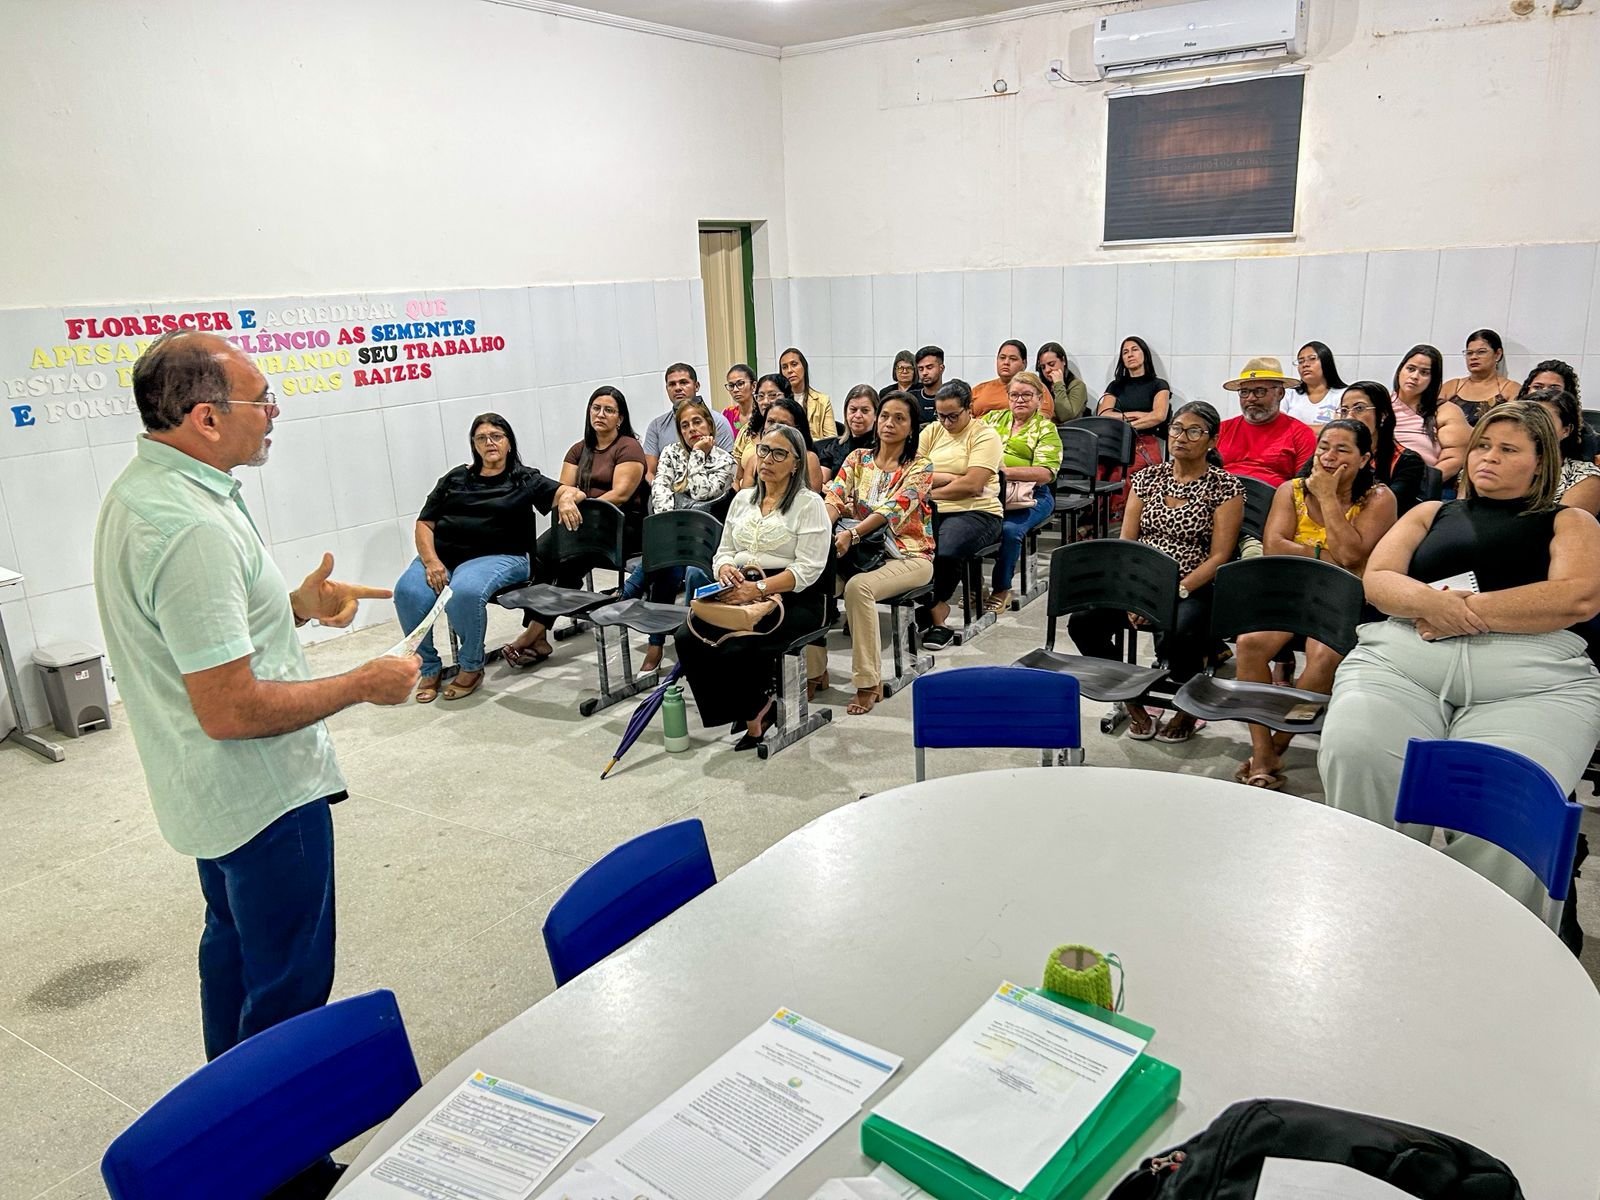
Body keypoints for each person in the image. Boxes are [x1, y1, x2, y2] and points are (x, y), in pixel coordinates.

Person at [92, 331, 419, 1071]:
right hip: (263, 796)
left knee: (235, 956)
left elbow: (197, 640)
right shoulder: (191, 528)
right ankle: (278, 1135)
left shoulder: (150, 492)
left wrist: (292, 609)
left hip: (211, 795)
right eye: (262, 399)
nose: (273, 413)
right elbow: (231, 709)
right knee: (286, 990)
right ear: (206, 418)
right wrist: (363, 683)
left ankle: (231, 1112)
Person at [1318, 403, 1600, 919]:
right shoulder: (1430, 512)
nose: (1488, 457)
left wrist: (1460, 612)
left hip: (1530, 683)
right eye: (1482, 446)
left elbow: (1577, 597)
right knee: (1356, 750)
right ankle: (1366, 908)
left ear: (1541, 461)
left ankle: (1485, 932)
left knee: (1506, 797)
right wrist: (1434, 605)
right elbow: (1379, 580)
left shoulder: (1569, 520)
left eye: (1508, 449)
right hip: (1404, 665)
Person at [1232, 420, 1397, 788]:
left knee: (1323, 657)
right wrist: (1326, 554)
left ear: (1364, 458)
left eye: (1342, 450)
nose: (1329, 456)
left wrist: (1326, 497)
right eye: (1324, 447)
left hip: (1344, 595)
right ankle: (1262, 749)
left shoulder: (1379, 498)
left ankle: (1279, 744)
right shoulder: (1290, 490)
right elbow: (1274, 547)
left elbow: (1352, 558)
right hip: (1289, 587)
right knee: (1250, 644)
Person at [1068, 402, 1244, 744]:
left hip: (1193, 583)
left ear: (1212, 441)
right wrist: (1137, 593)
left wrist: (1171, 593)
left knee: (1181, 630)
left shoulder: (1225, 487)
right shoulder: (1147, 478)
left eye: (1194, 431)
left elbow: (1220, 556)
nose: (1181, 437)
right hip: (1142, 581)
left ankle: (1187, 709)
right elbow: (1128, 542)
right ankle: (1130, 698)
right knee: (1083, 622)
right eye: (1177, 428)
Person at [398, 413, 586, 702]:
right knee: (407, 592)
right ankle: (429, 667)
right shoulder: (455, 478)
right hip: (445, 556)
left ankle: (471, 666)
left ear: (509, 443)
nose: (490, 443)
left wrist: (566, 499)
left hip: (503, 556)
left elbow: (570, 491)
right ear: (474, 445)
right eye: (482, 438)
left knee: (464, 591)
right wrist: (432, 561)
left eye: (496, 436)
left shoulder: (524, 478)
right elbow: (425, 523)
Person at [675, 424, 831, 751]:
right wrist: (725, 569)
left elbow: (808, 570)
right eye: (764, 450)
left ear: (796, 464)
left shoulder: (809, 503)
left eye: (779, 454)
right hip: (741, 587)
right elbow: (724, 551)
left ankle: (755, 712)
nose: (767, 460)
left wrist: (757, 589)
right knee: (688, 636)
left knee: (738, 644)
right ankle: (746, 707)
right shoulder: (743, 499)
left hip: (793, 596)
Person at [502, 386, 647, 666]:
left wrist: (583, 510)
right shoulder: (579, 449)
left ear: (620, 418)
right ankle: (538, 633)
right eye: (596, 408)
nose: (600, 414)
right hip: (583, 526)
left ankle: (534, 634)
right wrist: (567, 500)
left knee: (570, 561)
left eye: (609, 410)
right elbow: (564, 490)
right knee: (541, 554)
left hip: (622, 528)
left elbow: (620, 494)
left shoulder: (628, 447)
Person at [824, 392, 934, 716]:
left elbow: (891, 510)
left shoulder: (920, 466)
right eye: (885, 416)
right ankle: (815, 673)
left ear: (912, 427)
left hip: (909, 556)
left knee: (859, 588)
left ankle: (868, 682)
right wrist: (824, 532)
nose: (889, 423)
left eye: (899, 418)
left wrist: (852, 534)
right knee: (814, 579)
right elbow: (835, 496)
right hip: (860, 554)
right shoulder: (858, 459)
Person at [621, 397, 737, 673]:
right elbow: (660, 490)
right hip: (674, 536)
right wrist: (670, 524)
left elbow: (701, 492)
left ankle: (630, 596)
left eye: (697, 422)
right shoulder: (670, 453)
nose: (691, 429)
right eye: (685, 425)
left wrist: (697, 454)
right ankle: (656, 643)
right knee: (667, 567)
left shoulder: (725, 461)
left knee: (668, 563)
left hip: (706, 541)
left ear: (709, 425)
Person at [917, 380, 1004, 649]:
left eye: (953, 416)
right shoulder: (932, 431)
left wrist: (931, 491)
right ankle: (930, 607)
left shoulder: (985, 435)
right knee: (907, 550)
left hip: (978, 512)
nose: (946, 422)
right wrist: (952, 477)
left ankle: (938, 613)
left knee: (945, 549)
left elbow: (973, 485)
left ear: (969, 409)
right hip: (933, 511)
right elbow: (914, 474)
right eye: (941, 415)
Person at [982, 370, 1061, 612]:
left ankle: (1001, 589)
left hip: (1032, 496)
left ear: (1039, 399)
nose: (1020, 400)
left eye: (1027, 395)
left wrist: (1003, 472)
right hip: (991, 492)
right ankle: (975, 586)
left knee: (1010, 530)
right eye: (1014, 395)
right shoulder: (992, 419)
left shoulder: (1046, 429)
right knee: (966, 523)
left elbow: (1045, 473)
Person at [1318, 382, 1428, 515]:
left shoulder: (1407, 461)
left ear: (1383, 414)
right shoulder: (1328, 453)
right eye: (1344, 411)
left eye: (1359, 408)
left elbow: (1388, 508)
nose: (1349, 417)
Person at [1097, 335, 1170, 521]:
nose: (1130, 354)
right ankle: (1095, 522)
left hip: (1143, 440)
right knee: (1097, 472)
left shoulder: (1159, 384)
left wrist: (1127, 423)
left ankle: (1120, 521)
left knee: (1124, 474)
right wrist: (1136, 415)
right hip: (1115, 441)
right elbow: (1104, 413)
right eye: (1125, 352)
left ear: (1144, 354)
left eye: (1134, 350)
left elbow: (1159, 415)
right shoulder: (1116, 386)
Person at [1216, 357, 1317, 487]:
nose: (1251, 398)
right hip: (1219, 494)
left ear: (1280, 393)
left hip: (1272, 497)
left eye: (1259, 391)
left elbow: (1302, 485)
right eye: (1244, 392)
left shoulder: (1301, 434)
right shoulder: (1222, 429)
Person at [642, 363, 734, 481]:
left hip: (712, 486)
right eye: (672, 384)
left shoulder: (718, 422)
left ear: (696, 386)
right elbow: (650, 472)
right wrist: (661, 489)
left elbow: (729, 470)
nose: (677, 388)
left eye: (684, 382)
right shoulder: (656, 426)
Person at [1391, 344, 1469, 477]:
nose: (1415, 376)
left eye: (1424, 372)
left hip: (1425, 483)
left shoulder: (1446, 411)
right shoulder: (1380, 406)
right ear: (1400, 371)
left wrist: (1423, 484)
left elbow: (1454, 457)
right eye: (1410, 369)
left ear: (1433, 379)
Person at [1524, 386, 1600, 515]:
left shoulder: (1584, 476)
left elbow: (1569, 524)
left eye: (1545, 422)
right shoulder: (1502, 462)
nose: (1533, 428)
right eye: (1527, 420)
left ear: (1566, 430)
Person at [736, 386, 824, 492]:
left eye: (783, 424)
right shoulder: (755, 459)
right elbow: (746, 498)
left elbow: (812, 497)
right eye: (771, 422)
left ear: (797, 429)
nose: (775, 428)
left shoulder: (808, 459)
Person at [1440, 329, 1517, 426]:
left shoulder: (1510, 389)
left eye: (1481, 352)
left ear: (1497, 354)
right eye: (1469, 353)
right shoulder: (1452, 387)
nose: (1473, 357)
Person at [972, 339, 1053, 418]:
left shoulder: (1036, 387)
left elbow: (1043, 417)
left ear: (1024, 363)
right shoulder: (979, 389)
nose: (1006, 362)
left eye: (1013, 359)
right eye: (1002, 358)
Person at [817, 385, 878, 480]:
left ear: (876, 415)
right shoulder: (835, 446)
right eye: (853, 410)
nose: (858, 415)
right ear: (845, 413)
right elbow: (820, 481)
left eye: (865, 411)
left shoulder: (882, 449)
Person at [1283, 341, 1348, 428]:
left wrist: (1295, 429)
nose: (1305, 365)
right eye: (1301, 361)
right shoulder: (1288, 395)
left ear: (1326, 362)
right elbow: (1280, 427)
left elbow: (1339, 429)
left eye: (1312, 359)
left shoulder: (1345, 394)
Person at [779, 346, 835, 440]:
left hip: (815, 448)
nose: (789, 370)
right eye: (784, 367)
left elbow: (831, 440)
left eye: (794, 364)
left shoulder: (823, 401)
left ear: (804, 367)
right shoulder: (778, 402)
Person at [1035, 341, 1089, 422]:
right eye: (1043, 367)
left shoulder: (1077, 385)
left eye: (1051, 364)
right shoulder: (1040, 387)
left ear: (1063, 361)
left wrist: (1058, 384)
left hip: (1068, 429)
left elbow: (1066, 416)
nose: (1047, 370)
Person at [722, 362, 757, 448]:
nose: (735, 390)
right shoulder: (727, 414)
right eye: (731, 385)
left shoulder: (763, 413)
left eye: (740, 384)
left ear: (753, 386)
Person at [912, 345, 946, 423]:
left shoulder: (952, 398)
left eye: (929, 367)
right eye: (921, 369)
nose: (924, 373)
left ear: (941, 368)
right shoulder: (911, 399)